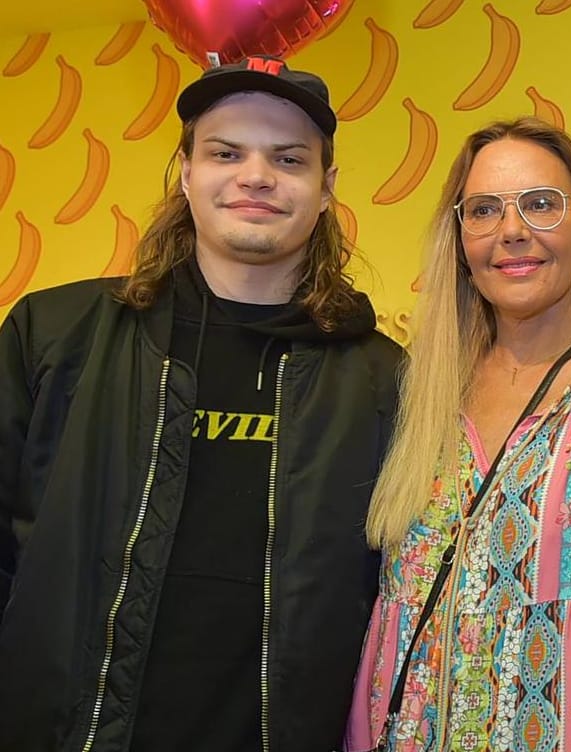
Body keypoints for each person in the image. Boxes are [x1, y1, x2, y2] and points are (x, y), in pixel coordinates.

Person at [0, 57, 403, 751]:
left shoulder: (382, 378)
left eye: (288, 158)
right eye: (226, 152)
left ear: (326, 187)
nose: (255, 175)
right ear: (186, 172)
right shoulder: (53, 335)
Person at [344, 118, 571, 752]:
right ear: (460, 241)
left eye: (541, 204)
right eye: (483, 210)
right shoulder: (424, 390)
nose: (512, 231)